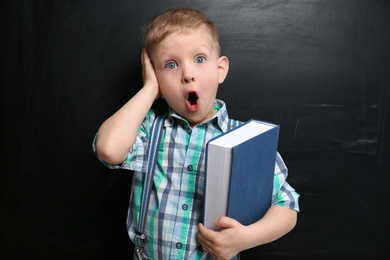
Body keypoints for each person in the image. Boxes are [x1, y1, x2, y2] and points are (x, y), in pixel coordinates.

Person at [93, 7, 299, 260]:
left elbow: (287, 206)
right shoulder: (149, 130)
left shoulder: (245, 140)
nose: (188, 75)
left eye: (199, 59)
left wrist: (245, 238)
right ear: (156, 77)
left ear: (220, 70)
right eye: (170, 65)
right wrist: (149, 89)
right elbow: (108, 149)